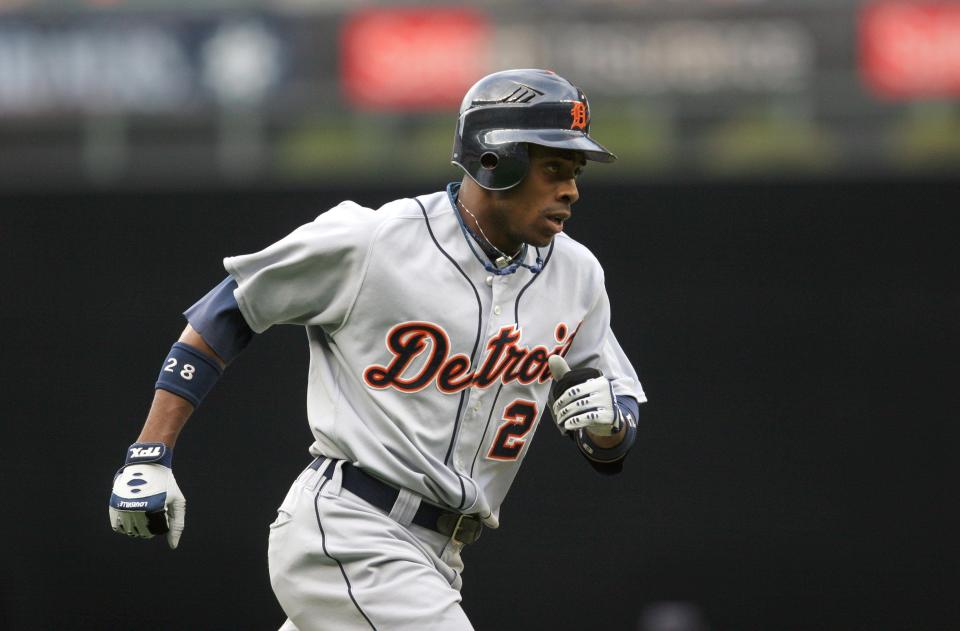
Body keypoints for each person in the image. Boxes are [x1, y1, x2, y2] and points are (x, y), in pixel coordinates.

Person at [108, 68, 646, 630]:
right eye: (554, 167)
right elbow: (227, 311)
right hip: (350, 529)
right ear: (497, 159)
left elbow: (610, 426)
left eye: (576, 171)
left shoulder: (577, 275)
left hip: (441, 557)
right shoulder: (375, 240)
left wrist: (610, 426)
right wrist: (150, 452)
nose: (571, 189)